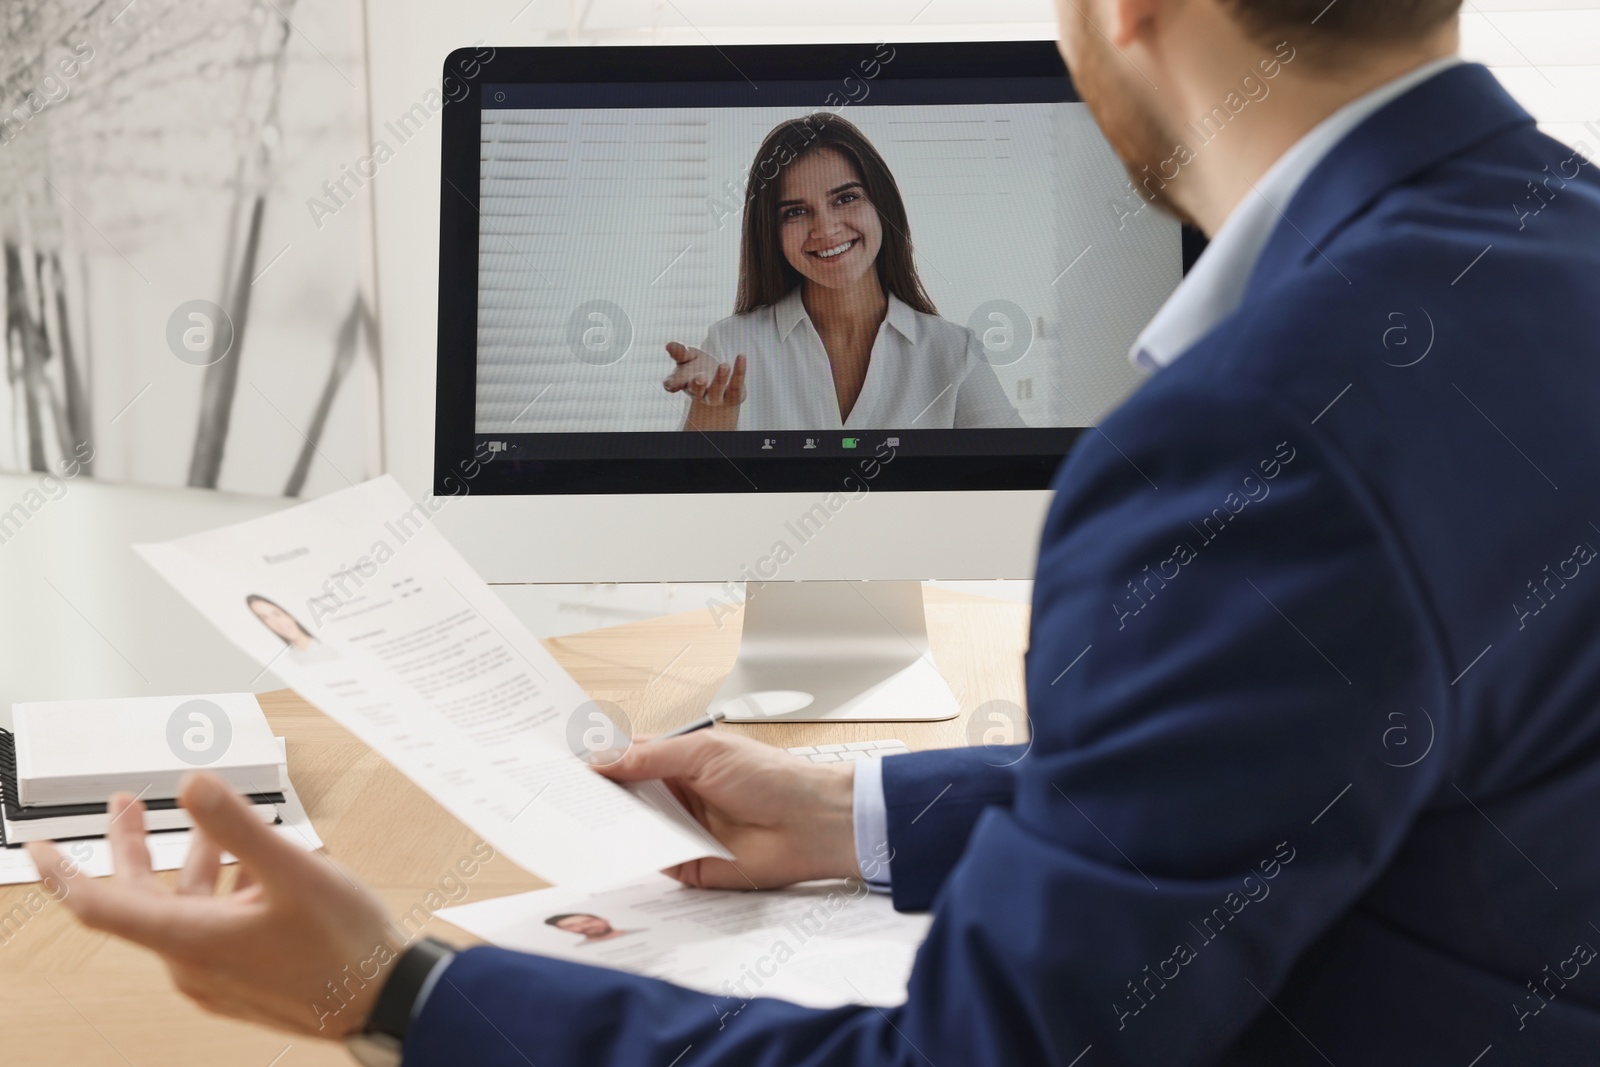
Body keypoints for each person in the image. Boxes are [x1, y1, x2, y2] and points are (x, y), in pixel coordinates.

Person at [28, 0, 1600, 1063]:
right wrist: (861, 814)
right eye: (797, 209)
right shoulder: (1563, 245)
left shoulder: (1247, 425)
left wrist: (398, 984)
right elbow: (1337, 765)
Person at [661, 113, 1025, 432]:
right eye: (795, 212)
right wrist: (714, 412)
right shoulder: (731, 345)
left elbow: (1021, 483)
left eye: (846, 198)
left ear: (882, 207)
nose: (826, 229)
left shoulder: (953, 352)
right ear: (771, 234)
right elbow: (694, 500)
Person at [245, 593, 339, 666]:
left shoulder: (329, 649)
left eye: (277, 614)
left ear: (288, 613)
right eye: (265, 618)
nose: (277, 623)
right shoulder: (287, 661)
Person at [544, 913, 637, 944]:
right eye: (571, 926)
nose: (584, 927)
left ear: (604, 920)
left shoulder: (640, 932)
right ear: (563, 930)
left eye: (588, 921)